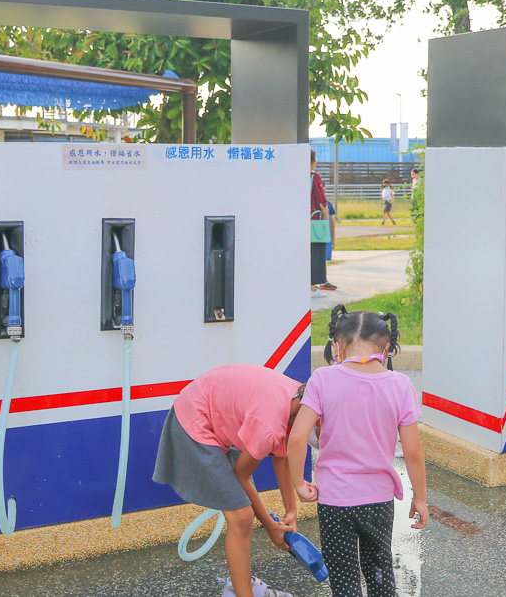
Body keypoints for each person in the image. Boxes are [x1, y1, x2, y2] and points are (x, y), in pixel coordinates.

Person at [287, 307, 428, 597]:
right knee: (380, 575)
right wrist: (421, 498)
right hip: (378, 500)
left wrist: (299, 485)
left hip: (334, 501)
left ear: (336, 345)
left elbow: (297, 437)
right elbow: (413, 451)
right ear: (387, 347)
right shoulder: (400, 385)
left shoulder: (322, 379)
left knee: (344, 581)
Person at [153, 364, 303, 597]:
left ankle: (240, 586)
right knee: (242, 516)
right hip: (194, 419)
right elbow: (241, 476)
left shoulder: (298, 397)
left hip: (211, 414)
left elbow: (281, 457)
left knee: (243, 511)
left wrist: (291, 510)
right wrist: (271, 526)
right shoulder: (270, 424)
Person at [311, 149, 330, 298]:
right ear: (313, 161)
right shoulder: (314, 177)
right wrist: (326, 219)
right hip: (312, 222)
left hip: (293, 222)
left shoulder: (291, 176)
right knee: (315, 253)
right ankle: (312, 286)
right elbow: (322, 202)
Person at [320, 200, 338, 291]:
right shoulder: (311, 202)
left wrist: (333, 238)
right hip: (317, 234)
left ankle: (323, 280)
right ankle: (318, 281)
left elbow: (332, 222)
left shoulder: (328, 204)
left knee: (323, 259)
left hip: (326, 235)